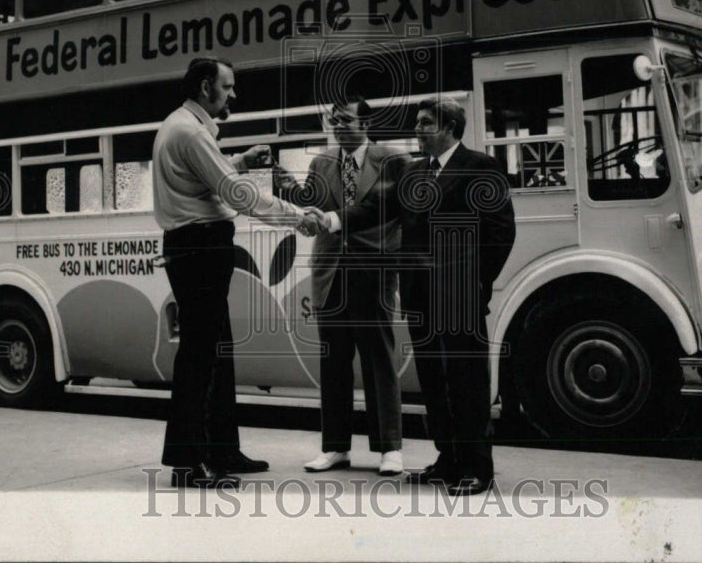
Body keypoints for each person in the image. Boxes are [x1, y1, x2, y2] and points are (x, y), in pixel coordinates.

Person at [310, 97, 515, 496]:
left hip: (459, 295)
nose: (417, 130)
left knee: (466, 379)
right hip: (420, 294)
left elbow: (500, 232)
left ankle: (478, 467)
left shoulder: (479, 167)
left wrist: (478, 283)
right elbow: (375, 207)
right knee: (434, 381)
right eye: (417, 123)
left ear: (450, 128)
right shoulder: (415, 172)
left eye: (425, 123)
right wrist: (333, 218)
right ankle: (448, 458)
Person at [153, 56, 320, 489]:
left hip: (197, 247)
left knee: (216, 351)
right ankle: (189, 465)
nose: (233, 95)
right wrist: (296, 216)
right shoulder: (190, 131)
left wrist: (240, 161)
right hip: (199, 248)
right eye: (227, 87)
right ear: (206, 87)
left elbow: (211, 177)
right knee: (200, 356)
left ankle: (222, 450)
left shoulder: (185, 126)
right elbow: (237, 194)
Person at [277, 95, 406, 476]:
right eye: (334, 120)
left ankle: (390, 449)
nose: (337, 126)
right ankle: (335, 447)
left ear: (365, 124)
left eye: (345, 120)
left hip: (373, 269)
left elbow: (390, 209)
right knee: (333, 361)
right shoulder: (322, 162)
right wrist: (290, 192)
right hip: (331, 269)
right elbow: (315, 209)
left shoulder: (392, 159)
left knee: (378, 359)